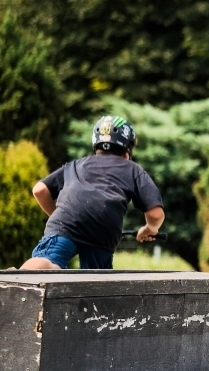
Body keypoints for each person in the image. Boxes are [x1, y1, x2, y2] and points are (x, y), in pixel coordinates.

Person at [16, 115, 164, 270]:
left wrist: (62, 218)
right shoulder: (132, 169)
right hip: (103, 229)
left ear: (96, 144)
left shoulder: (75, 165)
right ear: (128, 149)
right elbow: (155, 214)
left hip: (66, 222)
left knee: (47, 260)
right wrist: (150, 229)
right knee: (95, 278)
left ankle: (42, 268)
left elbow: (39, 190)